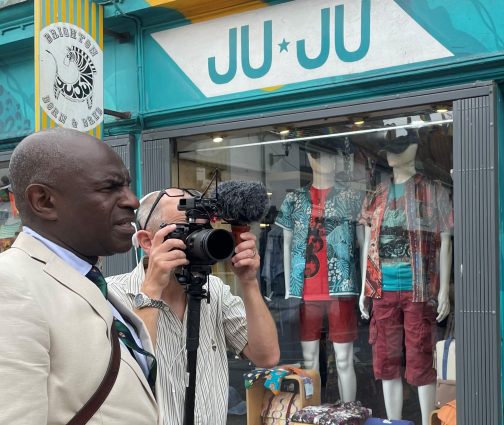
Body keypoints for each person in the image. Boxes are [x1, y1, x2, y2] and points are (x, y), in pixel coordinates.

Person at [0, 128, 159, 423]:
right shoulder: (10, 284)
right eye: (109, 188)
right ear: (44, 201)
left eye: (127, 186)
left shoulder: (89, 281)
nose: (133, 201)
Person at [107, 188, 280, 425]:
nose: (196, 240)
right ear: (147, 241)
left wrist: (248, 281)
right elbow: (128, 376)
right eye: (184, 230)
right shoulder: (112, 295)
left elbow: (266, 356)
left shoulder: (215, 290)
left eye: (203, 230)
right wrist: (152, 291)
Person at [359, 132, 453, 425]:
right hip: (381, 290)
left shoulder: (433, 189)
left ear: (414, 149)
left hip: (419, 288)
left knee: (420, 356)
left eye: (400, 149)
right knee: (386, 359)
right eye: (390, 150)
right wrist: (365, 288)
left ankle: (427, 421)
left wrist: (443, 292)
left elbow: (446, 240)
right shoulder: (376, 194)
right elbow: (367, 244)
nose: (392, 156)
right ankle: (393, 421)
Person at [276, 142, 362, 402]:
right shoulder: (294, 199)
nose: (329, 162)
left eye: (332, 157)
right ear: (311, 159)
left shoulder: (350, 198)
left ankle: (350, 411)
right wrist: (291, 288)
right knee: (310, 359)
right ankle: (313, 411)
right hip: (305, 292)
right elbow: (287, 243)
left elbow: (360, 243)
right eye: (322, 156)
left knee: (345, 359)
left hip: (342, 289)